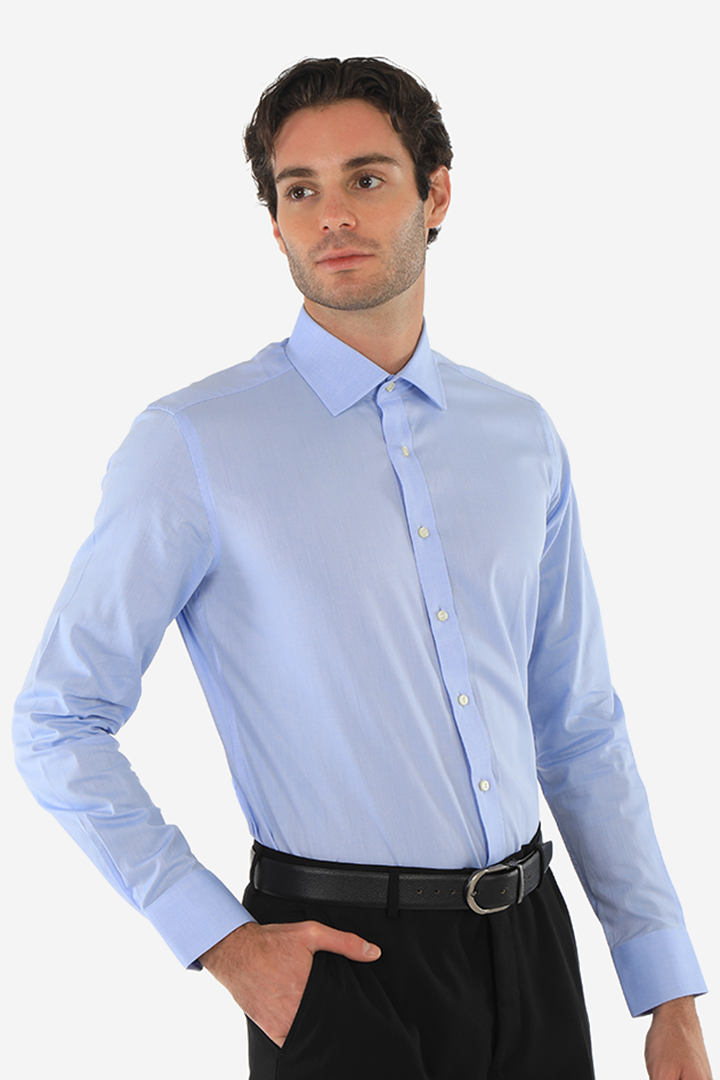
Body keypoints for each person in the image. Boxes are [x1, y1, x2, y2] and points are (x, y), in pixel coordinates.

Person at [13, 56, 712, 1079]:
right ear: (275, 221)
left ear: (437, 195)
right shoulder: (192, 444)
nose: (332, 214)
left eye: (367, 178)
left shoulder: (520, 435)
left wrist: (667, 989)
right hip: (336, 964)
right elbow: (58, 719)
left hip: (533, 948)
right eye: (300, 189)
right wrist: (222, 940)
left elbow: (579, 725)